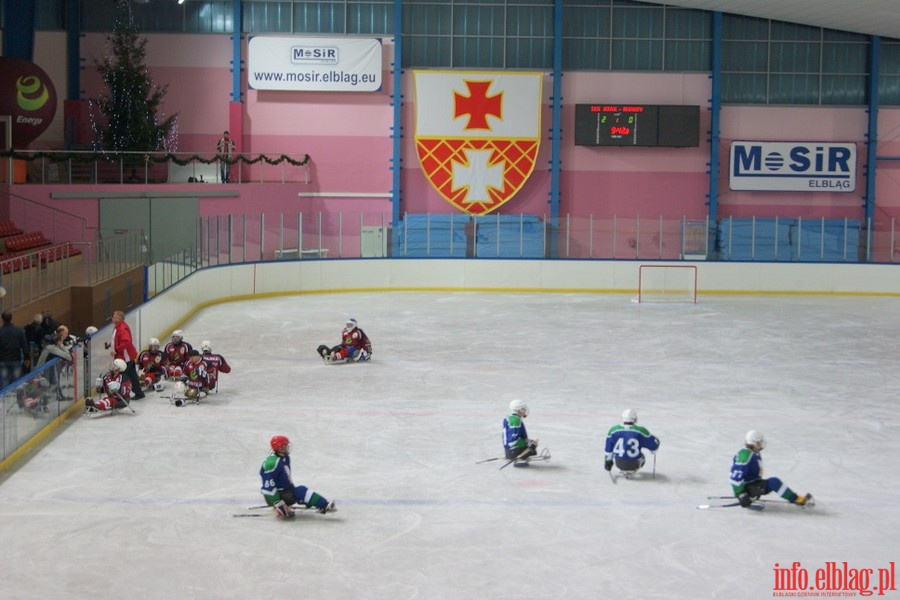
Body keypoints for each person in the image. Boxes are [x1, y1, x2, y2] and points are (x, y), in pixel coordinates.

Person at [730, 430, 814, 509]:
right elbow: (735, 477)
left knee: (771, 483)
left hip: (753, 483)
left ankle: (752, 496)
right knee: (774, 482)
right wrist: (741, 494)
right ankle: (797, 499)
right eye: (759, 443)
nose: (761, 445)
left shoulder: (752, 452)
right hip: (747, 487)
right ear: (754, 443)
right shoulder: (745, 455)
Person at [259, 435, 336, 518]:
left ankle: (320, 504)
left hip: (285, 492)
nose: (288, 447)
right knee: (300, 491)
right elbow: (268, 488)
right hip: (274, 497)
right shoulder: (272, 463)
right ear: (280, 448)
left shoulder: (284, 458)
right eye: (286, 445)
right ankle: (324, 505)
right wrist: (278, 504)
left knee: (300, 491)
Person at [604, 409, 660, 474]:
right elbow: (654, 447)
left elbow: (608, 449)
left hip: (619, 463)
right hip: (634, 464)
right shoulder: (641, 431)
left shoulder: (613, 430)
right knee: (642, 457)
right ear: (634, 419)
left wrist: (607, 463)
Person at [109, 310, 145, 399]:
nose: (112, 318)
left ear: (119, 318)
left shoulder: (122, 328)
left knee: (121, 376)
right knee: (132, 375)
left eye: (114, 316)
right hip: (125, 357)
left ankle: (121, 395)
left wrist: (116, 350)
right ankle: (138, 393)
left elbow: (126, 342)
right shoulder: (119, 327)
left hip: (125, 357)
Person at [502, 399, 539, 467]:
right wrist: (528, 443)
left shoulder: (510, 418)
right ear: (518, 410)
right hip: (513, 450)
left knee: (532, 444)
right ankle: (519, 459)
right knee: (533, 447)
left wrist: (527, 441)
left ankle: (518, 456)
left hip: (509, 450)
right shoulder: (516, 421)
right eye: (523, 409)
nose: (525, 410)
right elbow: (512, 441)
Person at [0, 311, 30, 389]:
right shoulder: (19, 331)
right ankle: (17, 398)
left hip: (3, 359)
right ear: (11, 318)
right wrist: (27, 357)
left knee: (4, 381)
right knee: (17, 381)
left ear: (2, 319)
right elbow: (24, 345)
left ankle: (4, 399)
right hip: (16, 358)